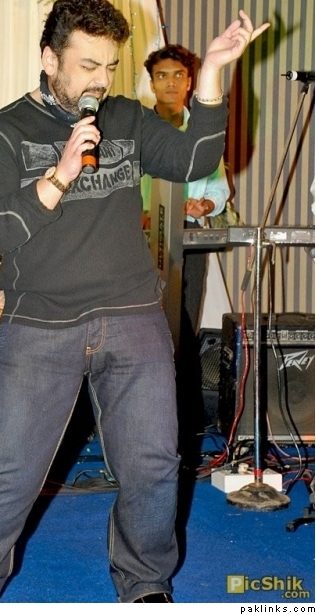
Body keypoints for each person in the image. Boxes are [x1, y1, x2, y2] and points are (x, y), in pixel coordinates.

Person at [0, 0, 269, 603]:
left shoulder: (126, 118)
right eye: (87, 65)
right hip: (41, 323)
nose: (100, 80)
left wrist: (214, 74)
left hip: (131, 314)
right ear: (49, 58)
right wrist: (59, 175)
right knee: (6, 473)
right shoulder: (6, 130)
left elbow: (195, 157)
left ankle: (144, 584)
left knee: (152, 465)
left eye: (110, 66)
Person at [144, 45, 231, 460]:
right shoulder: (136, 128)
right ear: (151, 82)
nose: (171, 83)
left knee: (184, 327)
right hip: (139, 240)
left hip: (189, 241)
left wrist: (205, 204)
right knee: (142, 329)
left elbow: (218, 187)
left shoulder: (202, 131)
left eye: (178, 75)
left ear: (191, 82)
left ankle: (181, 426)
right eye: (162, 75)